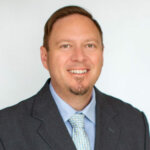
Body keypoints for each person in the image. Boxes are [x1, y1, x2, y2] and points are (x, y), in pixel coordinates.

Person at [0, 5, 149, 150]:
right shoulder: (6, 129)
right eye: (66, 46)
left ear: (102, 54)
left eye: (89, 45)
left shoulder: (135, 123)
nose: (79, 57)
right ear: (45, 57)